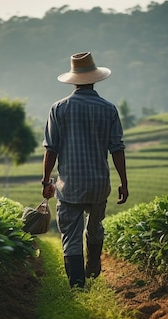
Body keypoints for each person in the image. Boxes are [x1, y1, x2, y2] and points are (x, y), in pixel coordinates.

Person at [41, 52, 129, 288]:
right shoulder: (109, 109)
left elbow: (51, 150)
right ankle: (93, 264)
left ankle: (78, 284)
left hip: (70, 185)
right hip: (99, 184)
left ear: (73, 79)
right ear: (94, 79)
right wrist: (124, 182)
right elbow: (117, 149)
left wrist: (46, 181)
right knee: (95, 226)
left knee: (70, 234)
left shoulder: (58, 109)